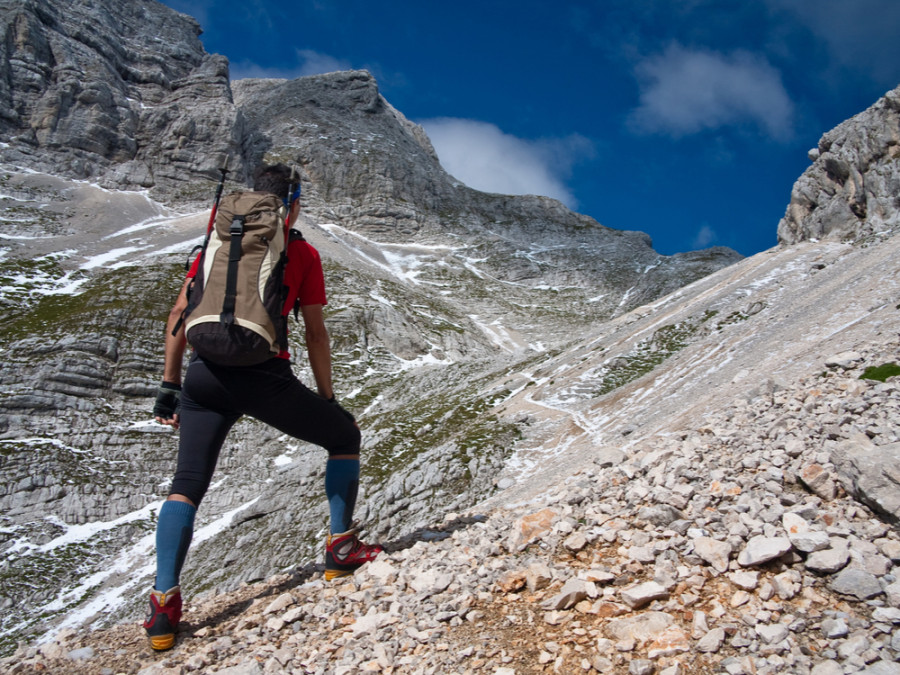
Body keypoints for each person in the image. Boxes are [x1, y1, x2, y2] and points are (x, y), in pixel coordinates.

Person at [143, 163, 382, 651]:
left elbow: (178, 314)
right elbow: (316, 332)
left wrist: (169, 388)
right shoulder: (300, 251)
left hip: (202, 376)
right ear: (290, 205)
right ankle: (341, 549)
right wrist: (328, 400)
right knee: (343, 437)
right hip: (263, 376)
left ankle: (162, 605)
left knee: (187, 485)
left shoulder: (219, 241)